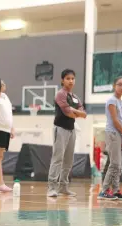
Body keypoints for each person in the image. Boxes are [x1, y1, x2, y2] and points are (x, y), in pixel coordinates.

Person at [47, 69, 86, 197]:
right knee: (57, 158)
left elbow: (83, 114)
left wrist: (77, 112)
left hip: (71, 130)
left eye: (72, 78)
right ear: (62, 80)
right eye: (68, 78)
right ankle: (52, 187)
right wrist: (76, 112)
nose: (70, 81)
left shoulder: (75, 97)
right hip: (60, 129)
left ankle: (63, 187)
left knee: (68, 160)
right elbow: (67, 111)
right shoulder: (60, 94)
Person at [98, 76, 122, 201]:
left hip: (121, 135)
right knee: (115, 163)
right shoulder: (111, 101)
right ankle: (104, 191)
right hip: (113, 133)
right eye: (120, 84)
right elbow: (116, 121)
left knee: (119, 165)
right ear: (114, 85)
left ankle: (116, 191)